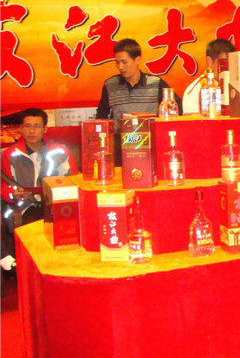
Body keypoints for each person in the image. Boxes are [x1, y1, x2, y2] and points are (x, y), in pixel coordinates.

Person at [1, 108, 78, 271]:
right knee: (33, 227)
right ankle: (31, 270)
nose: (31, 131)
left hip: (57, 205)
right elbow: (4, 187)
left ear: (45, 129)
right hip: (25, 206)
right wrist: (14, 194)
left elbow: (74, 181)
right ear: (21, 128)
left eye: (36, 126)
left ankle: (63, 268)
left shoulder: (60, 152)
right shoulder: (10, 155)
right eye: (27, 126)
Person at [96, 38, 182, 120]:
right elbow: (101, 117)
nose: (120, 67)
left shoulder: (156, 83)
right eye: (117, 62)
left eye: (124, 62)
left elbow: (176, 107)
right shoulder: (110, 85)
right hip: (120, 131)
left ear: (137, 60)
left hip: (150, 130)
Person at [182, 39, 235, 114]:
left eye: (232, 63)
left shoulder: (234, 88)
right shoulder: (196, 91)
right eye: (224, 64)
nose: (228, 68)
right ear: (210, 61)